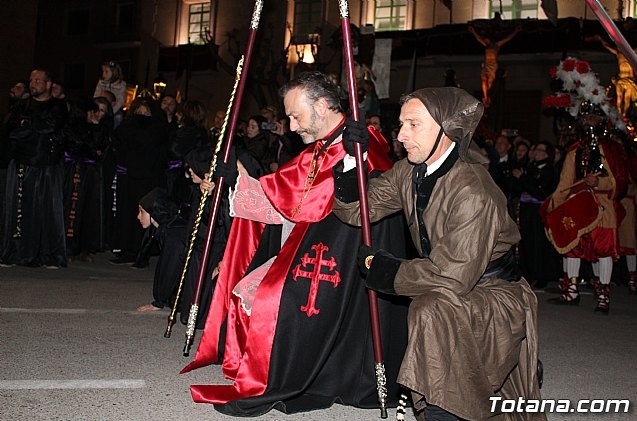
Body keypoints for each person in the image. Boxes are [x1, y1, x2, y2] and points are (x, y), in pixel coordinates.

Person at [181, 71, 410, 416]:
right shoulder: (318, 149)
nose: (290, 126)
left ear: (321, 105)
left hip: (348, 261)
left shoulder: (363, 139)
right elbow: (282, 194)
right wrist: (237, 182)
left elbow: (375, 179)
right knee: (247, 290)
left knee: (273, 297)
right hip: (313, 249)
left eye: (294, 115)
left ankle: (289, 373)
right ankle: (261, 368)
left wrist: (357, 155)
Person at [332, 87, 545, 421]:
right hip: (450, 283)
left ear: (447, 129)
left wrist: (386, 271)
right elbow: (358, 210)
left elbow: (452, 276)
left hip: (493, 294)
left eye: (413, 124)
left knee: (429, 310)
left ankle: (441, 409)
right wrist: (351, 161)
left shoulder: (474, 188)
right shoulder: (409, 171)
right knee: (430, 307)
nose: (401, 135)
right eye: (400, 124)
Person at [543, 101, 628, 313]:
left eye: (593, 117)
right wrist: (556, 205)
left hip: (602, 208)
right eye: (585, 118)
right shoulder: (574, 151)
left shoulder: (611, 149)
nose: (589, 121)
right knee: (571, 246)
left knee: (603, 250)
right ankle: (571, 291)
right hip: (577, 207)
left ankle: (603, 295)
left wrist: (599, 182)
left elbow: (619, 180)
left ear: (601, 120)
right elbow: (565, 183)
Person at [1, 69, 69, 268]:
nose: (33, 83)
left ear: (48, 84)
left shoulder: (58, 106)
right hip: (23, 163)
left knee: (48, 210)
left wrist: (29, 125)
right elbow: (13, 131)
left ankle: (49, 254)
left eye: (38, 80)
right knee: (19, 209)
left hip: (48, 165)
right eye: (31, 80)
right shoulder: (21, 106)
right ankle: (15, 252)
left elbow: (50, 126)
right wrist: (30, 126)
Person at [135, 187, 188, 312]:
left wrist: (159, 301)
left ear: (155, 212)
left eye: (141, 212)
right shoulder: (166, 229)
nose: (138, 216)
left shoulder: (173, 234)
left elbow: (169, 268)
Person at [468, 25, 522, 107]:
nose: (485, 40)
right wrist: (473, 31)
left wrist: (515, 31)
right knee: (484, 80)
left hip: (492, 66)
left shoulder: (497, 45)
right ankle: (486, 97)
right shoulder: (486, 45)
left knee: (488, 81)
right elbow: (478, 39)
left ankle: (486, 98)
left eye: (487, 39)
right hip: (487, 64)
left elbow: (507, 39)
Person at [595, 35, 637, 117]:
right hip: (621, 79)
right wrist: (600, 39)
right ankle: (619, 113)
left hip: (629, 79)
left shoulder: (632, 54)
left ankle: (624, 114)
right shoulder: (618, 54)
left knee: (627, 98)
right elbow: (607, 46)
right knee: (620, 97)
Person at [93, 61, 127, 126]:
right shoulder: (101, 83)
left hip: (113, 109)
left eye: (106, 72)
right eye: (103, 71)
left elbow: (120, 101)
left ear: (114, 72)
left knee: (118, 117)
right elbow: (96, 96)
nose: (103, 74)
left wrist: (110, 113)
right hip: (100, 107)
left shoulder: (121, 85)